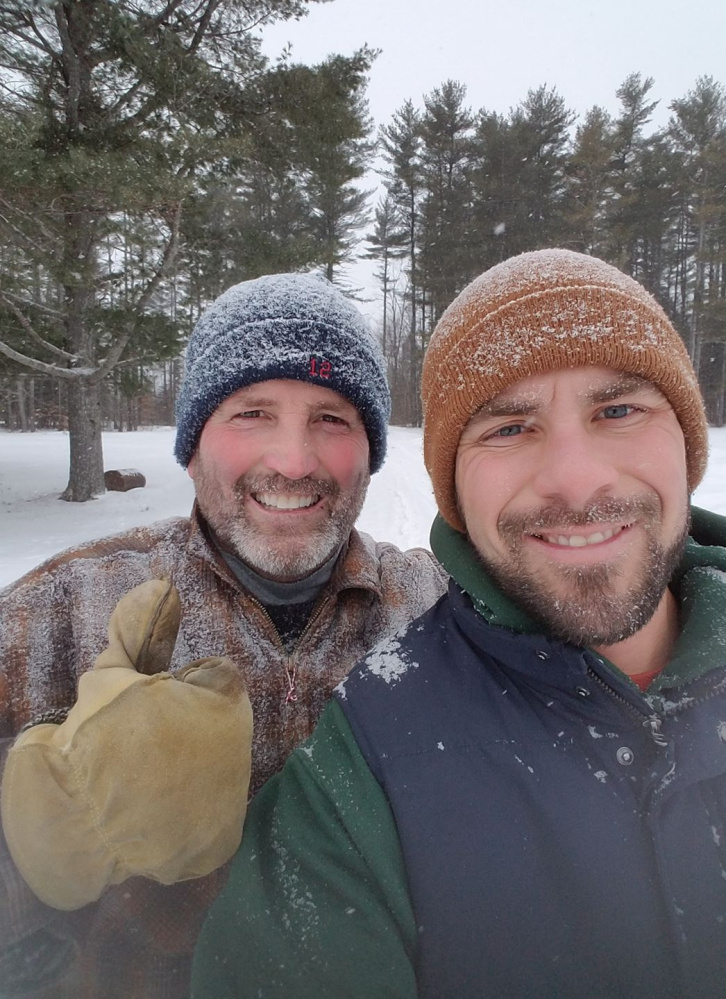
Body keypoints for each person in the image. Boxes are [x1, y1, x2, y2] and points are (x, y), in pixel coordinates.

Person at [192, 249, 726, 999]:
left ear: (687, 439)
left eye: (619, 408)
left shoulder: (403, 591)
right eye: (509, 426)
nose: (576, 478)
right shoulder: (369, 751)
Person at [0, 272, 448, 999]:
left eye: (332, 418)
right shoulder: (54, 610)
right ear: (192, 443)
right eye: (252, 412)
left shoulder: (434, 614)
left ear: (370, 448)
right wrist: (39, 838)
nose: (294, 460)